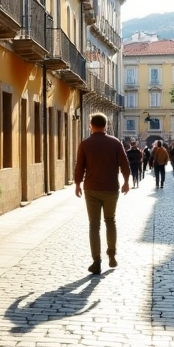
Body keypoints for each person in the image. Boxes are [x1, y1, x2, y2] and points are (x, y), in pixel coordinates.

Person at [73, 113, 131, 275]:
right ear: (106, 125)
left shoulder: (85, 144)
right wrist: (126, 182)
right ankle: (112, 255)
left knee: (94, 225)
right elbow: (125, 165)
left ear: (90, 125)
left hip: (91, 189)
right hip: (111, 188)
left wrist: (77, 184)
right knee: (110, 220)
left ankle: (96, 261)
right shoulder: (115, 143)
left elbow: (80, 167)